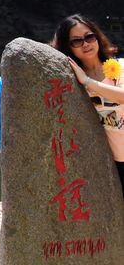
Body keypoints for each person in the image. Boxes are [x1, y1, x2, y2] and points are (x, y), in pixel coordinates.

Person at [53, 13, 124, 187]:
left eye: (89, 37)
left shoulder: (120, 66)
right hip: (112, 161)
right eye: (76, 41)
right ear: (68, 47)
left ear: (97, 37)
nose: (85, 44)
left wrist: (88, 82)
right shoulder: (72, 82)